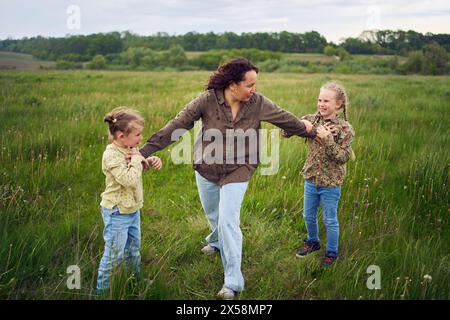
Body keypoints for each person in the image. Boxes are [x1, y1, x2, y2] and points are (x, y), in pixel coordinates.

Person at [139, 58, 316, 299]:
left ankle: (232, 283)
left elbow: (285, 118)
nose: (254, 89)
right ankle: (216, 242)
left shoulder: (257, 103)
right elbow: (177, 126)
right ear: (233, 85)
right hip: (207, 166)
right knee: (213, 214)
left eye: (255, 84)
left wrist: (311, 131)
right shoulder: (207, 100)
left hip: (240, 167)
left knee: (227, 219)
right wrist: (143, 152)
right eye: (249, 85)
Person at [97, 107, 162, 295]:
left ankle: (135, 280)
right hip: (117, 212)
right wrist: (136, 159)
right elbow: (128, 179)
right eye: (137, 134)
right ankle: (103, 291)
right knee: (113, 255)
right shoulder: (111, 155)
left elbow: (138, 167)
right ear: (120, 136)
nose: (140, 139)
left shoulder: (130, 148)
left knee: (133, 250)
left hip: (132, 209)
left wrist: (149, 161)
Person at [293, 81, 355, 266]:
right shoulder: (312, 120)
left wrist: (327, 139)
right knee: (308, 216)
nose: (321, 104)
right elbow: (286, 130)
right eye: (320, 100)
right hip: (311, 179)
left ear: (339, 104)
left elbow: (343, 157)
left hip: (331, 183)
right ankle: (312, 242)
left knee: (330, 219)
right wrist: (298, 126)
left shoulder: (345, 129)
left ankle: (332, 252)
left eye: (326, 101)